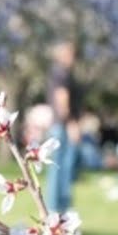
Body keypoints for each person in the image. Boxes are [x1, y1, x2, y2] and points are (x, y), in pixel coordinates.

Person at [45, 41, 83, 213]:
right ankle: (58, 209)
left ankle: (58, 209)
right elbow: (62, 99)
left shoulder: (58, 73)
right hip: (62, 126)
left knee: (58, 167)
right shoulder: (62, 74)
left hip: (58, 125)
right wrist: (71, 123)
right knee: (62, 168)